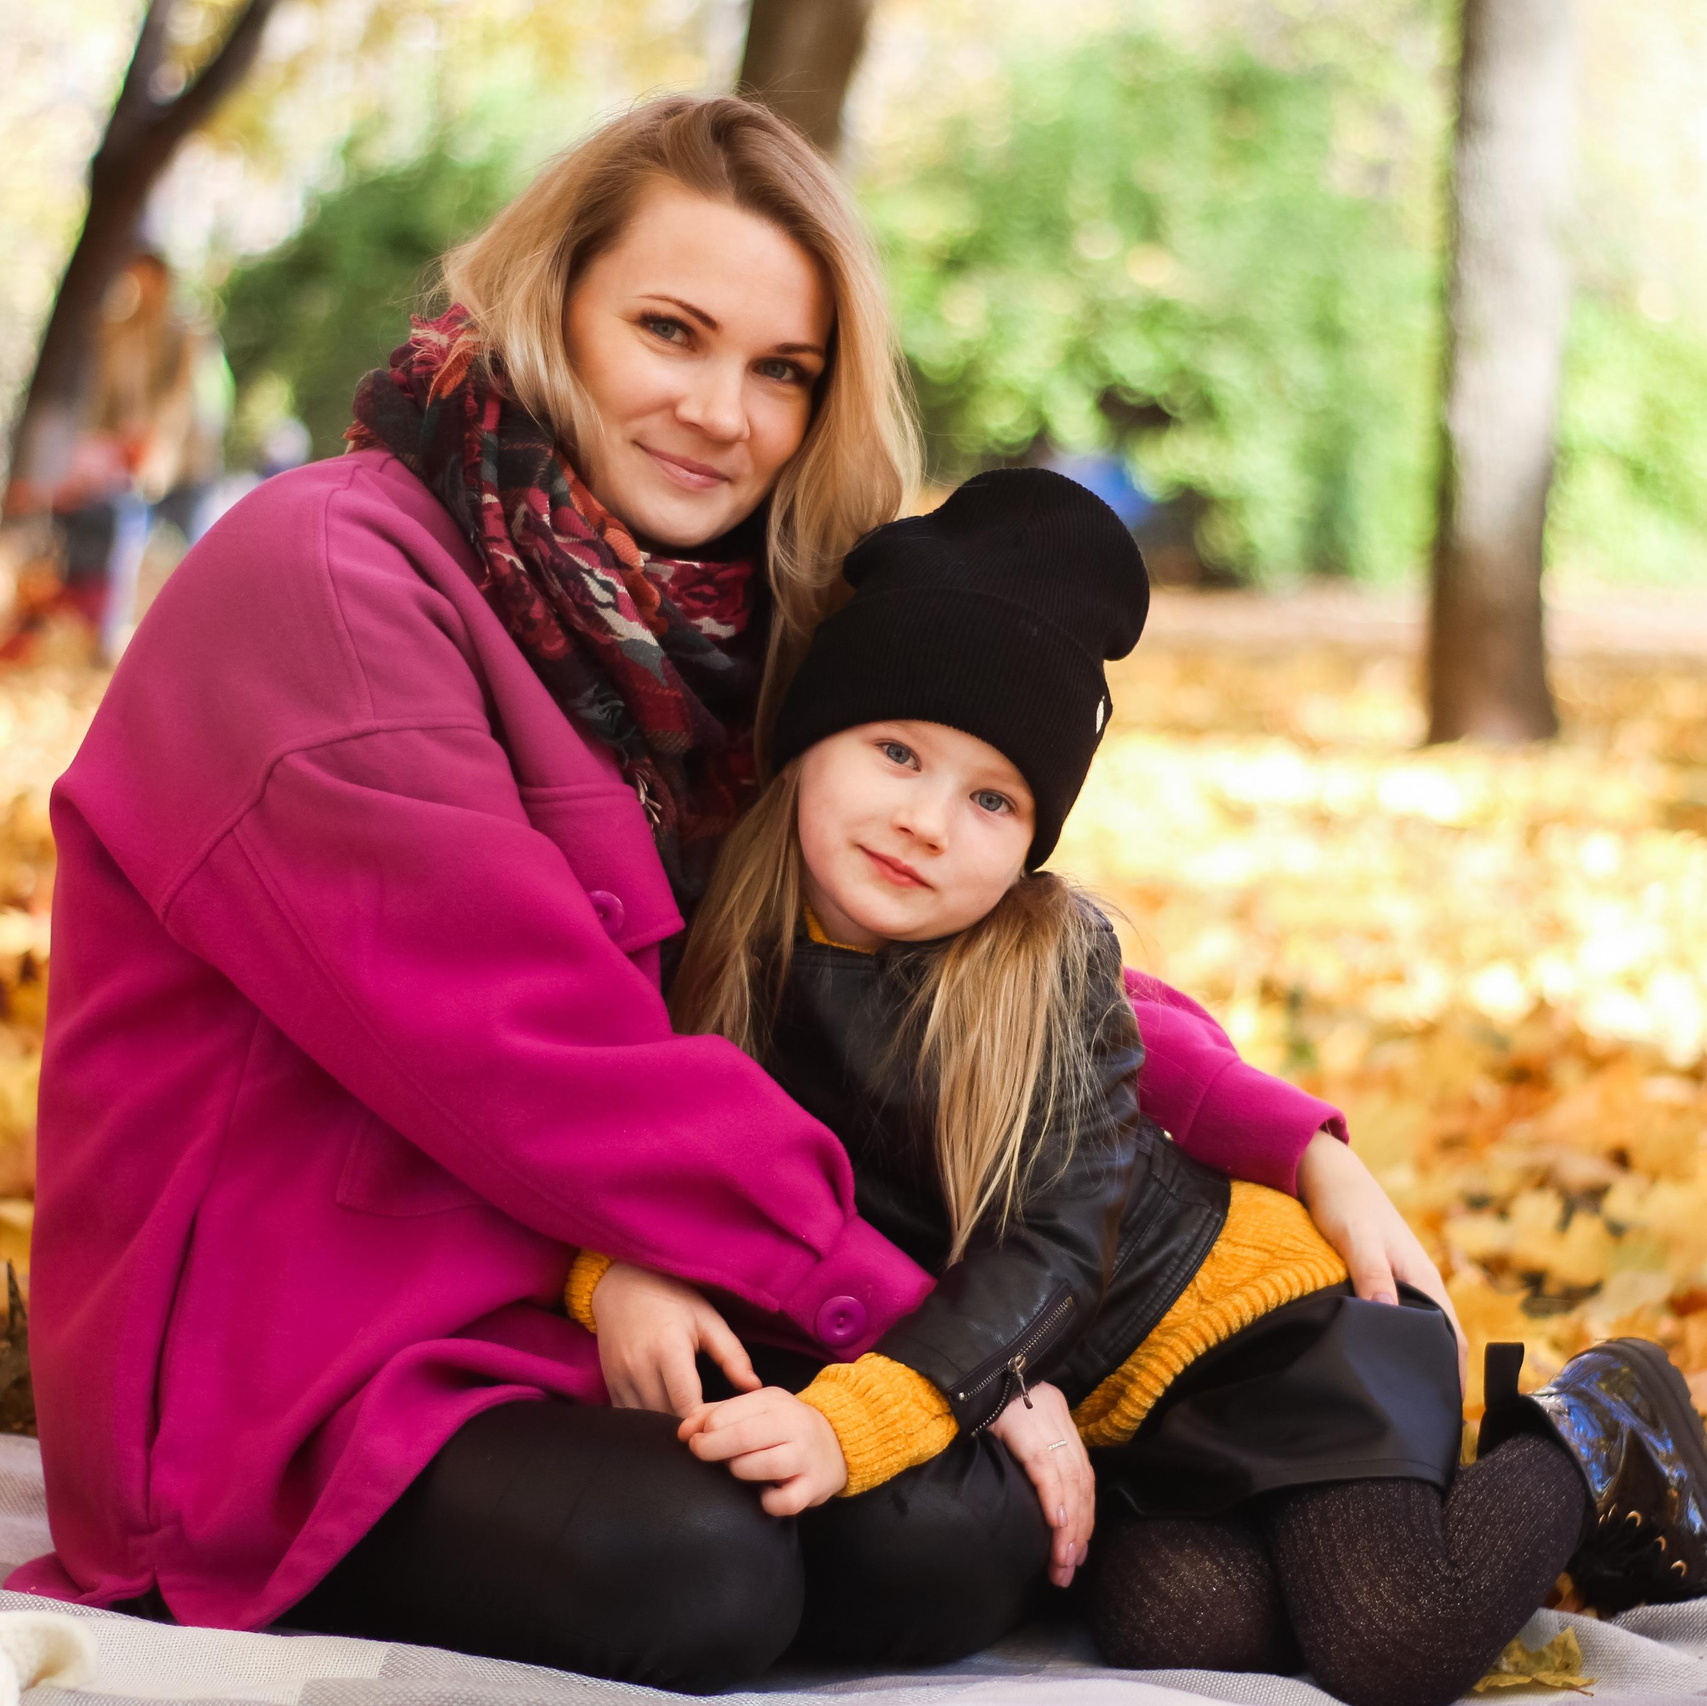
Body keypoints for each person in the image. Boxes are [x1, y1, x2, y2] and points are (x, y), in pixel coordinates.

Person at [17, 97, 1459, 1692]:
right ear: (550, 301)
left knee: (950, 1535)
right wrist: (938, 1337)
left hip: (624, 1280)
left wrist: (1272, 1129)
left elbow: (960, 952)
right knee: (696, 1568)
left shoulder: (719, 634)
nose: (721, 410)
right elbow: (532, 1053)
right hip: (292, 1355)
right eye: (669, 330)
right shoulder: (331, 580)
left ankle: (1432, 1499)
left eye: (782, 371)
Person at [572, 467, 1707, 1706]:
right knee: (1193, 1630)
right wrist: (607, 1268)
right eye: (895, 751)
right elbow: (641, 1163)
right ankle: (1380, 1529)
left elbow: (1053, 1251)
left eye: (992, 798)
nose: (927, 821)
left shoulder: (1043, 967)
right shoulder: (718, 955)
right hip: (1123, 1421)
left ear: (1033, 836)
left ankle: (1599, 1419)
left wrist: (856, 1426)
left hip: (1267, 1335)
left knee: (1394, 1637)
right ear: (805, 748)